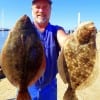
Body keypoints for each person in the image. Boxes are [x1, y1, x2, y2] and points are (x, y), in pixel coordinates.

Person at [28, 0, 69, 99]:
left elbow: (66, 41)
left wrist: (73, 42)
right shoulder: (24, 31)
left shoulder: (56, 30)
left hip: (49, 87)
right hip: (27, 85)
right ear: (32, 9)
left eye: (45, 7)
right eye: (37, 7)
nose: (41, 10)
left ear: (50, 10)